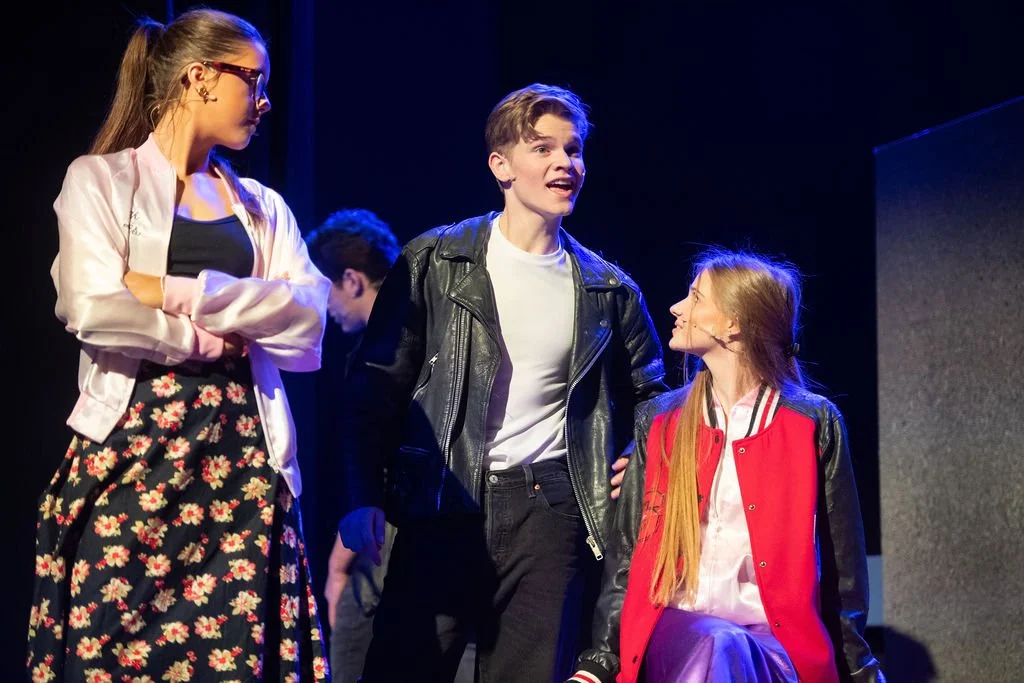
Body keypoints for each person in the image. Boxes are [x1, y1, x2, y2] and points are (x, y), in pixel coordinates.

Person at [27, 10, 331, 681]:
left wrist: (173, 291)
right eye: (252, 79)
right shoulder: (101, 181)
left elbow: (307, 321)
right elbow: (90, 305)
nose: (264, 99)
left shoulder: (262, 207)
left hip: (243, 465)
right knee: (113, 650)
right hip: (134, 455)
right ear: (200, 75)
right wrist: (195, 337)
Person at [338, 83, 667, 682]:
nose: (564, 164)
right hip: (444, 503)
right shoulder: (435, 261)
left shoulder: (607, 289)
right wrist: (361, 494)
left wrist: (636, 453)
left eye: (573, 149)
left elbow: (653, 389)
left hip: (551, 512)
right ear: (501, 166)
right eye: (542, 149)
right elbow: (374, 384)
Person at [570, 249, 885, 683]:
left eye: (696, 298)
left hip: (776, 647)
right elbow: (628, 556)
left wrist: (860, 670)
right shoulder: (661, 421)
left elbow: (841, 569)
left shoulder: (813, 422)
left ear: (733, 324)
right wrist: (600, 660)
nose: (677, 308)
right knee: (720, 645)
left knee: (731, 649)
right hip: (680, 636)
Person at [304, 208, 402, 682]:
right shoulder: (426, 327)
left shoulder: (377, 357)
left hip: (390, 542)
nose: (323, 307)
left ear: (350, 279)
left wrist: (339, 561)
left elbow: (382, 458)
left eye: (325, 291)